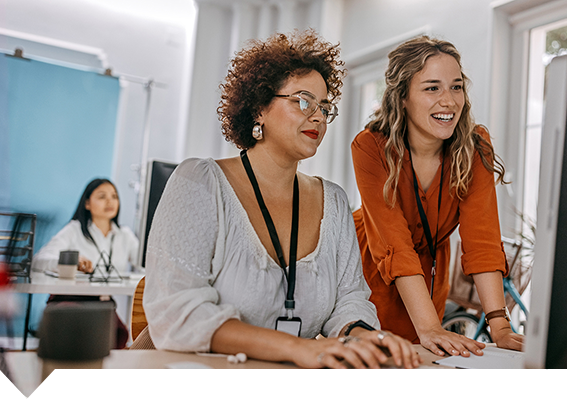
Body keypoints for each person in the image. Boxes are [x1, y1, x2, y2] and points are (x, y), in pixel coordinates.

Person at [143, 30, 421, 369]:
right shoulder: (199, 183)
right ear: (259, 108)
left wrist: (367, 337)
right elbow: (179, 312)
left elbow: (349, 301)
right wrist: (297, 348)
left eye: (324, 107)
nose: (318, 116)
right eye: (303, 101)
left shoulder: (332, 201)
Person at [352, 35, 524, 358]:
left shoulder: (475, 147)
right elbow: (395, 246)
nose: (449, 101)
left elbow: (482, 241)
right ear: (402, 96)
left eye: (456, 87)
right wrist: (430, 326)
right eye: (433, 88)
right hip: (371, 271)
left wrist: (499, 325)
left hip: (430, 276)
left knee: (428, 366)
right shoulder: (370, 147)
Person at [32, 178, 139, 348]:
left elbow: (146, 264)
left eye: (114, 196)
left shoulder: (125, 235)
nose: (110, 201)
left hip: (103, 305)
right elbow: (39, 261)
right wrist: (71, 260)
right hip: (68, 300)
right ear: (87, 203)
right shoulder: (74, 230)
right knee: (82, 341)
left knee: (119, 338)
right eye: (102, 196)